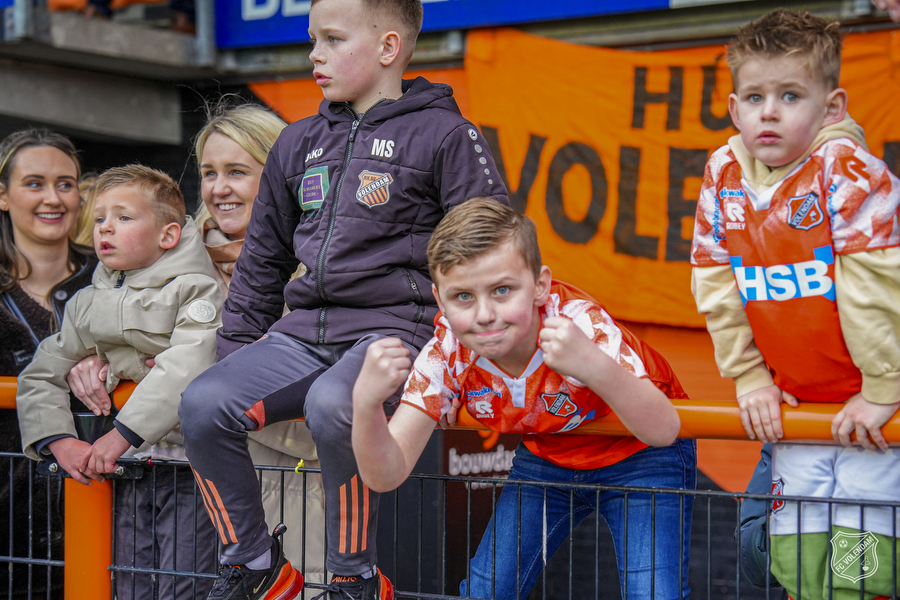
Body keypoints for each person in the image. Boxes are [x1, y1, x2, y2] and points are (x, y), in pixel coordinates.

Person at [177, 0, 509, 597]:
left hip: (399, 330)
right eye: (313, 39)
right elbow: (262, 263)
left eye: (332, 39)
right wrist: (236, 358)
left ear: (387, 48)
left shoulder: (446, 135)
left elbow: (490, 253)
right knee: (203, 402)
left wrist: (471, 356)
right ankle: (253, 565)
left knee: (336, 404)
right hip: (303, 334)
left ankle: (355, 578)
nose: (315, 54)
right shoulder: (297, 141)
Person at [352, 198, 697, 600]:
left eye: (502, 290)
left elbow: (663, 430)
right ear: (439, 299)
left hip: (639, 456)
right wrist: (365, 405)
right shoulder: (447, 351)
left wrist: (593, 366)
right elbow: (386, 474)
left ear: (540, 285)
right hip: (548, 455)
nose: (485, 314)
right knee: (487, 591)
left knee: (652, 592)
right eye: (463, 296)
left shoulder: (580, 324)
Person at [66, 101, 329, 583]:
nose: (218, 187)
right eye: (209, 172)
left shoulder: (323, 263)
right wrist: (91, 359)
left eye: (237, 172)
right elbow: (115, 341)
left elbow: (323, 419)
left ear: (280, 175)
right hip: (179, 497)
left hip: (288, 493)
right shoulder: (165, 262)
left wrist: (207, 389)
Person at [690, 9, 900, 600]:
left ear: (831, 107)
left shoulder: (849, 170)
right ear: (735, 109)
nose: (770, 112)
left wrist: (884, 386)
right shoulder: (722, 172)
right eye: (755, 97)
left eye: (790, 95)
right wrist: (750, 376)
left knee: (861, 557)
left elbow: (879, 288)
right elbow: (715, 283)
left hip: (874, 403)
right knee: (794, 553)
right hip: (798, 403)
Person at [17, 164, 225, 600]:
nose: (105, 228)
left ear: (168, 235)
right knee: (127, 581)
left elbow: (188, 363)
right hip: (127, 471)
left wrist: (120, 435)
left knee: (184, 584)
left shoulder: (196, 289)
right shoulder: (87, 302)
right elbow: (42, 371)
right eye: (99, 219)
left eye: (124, 217)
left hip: (192, 468)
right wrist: (60, 441)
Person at [0, 128, 97, 600]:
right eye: (34, 183)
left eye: (65, 184)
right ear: (3, 196)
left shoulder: (115, 276)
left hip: (106, 514)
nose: (53, 198)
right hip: (11, 529)